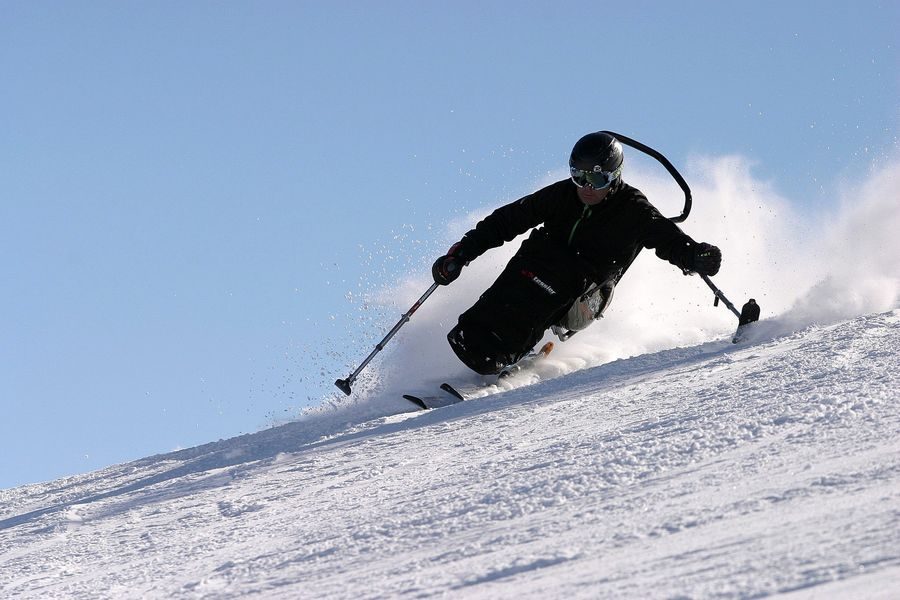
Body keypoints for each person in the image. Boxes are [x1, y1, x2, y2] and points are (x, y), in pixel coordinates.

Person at [431, 131, 722, 376]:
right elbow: (505, 221)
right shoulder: (562, 196)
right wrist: (460, 255)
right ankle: (475, 334)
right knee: (534, 254)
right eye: (578, 176)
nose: (585, 187)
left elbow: (667, 238)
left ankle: (511, 350)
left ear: (614, 176)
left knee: (554, 274)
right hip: (546, 270)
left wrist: (695, 256)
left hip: (587, 297)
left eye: (596, 180)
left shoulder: (633, 209)